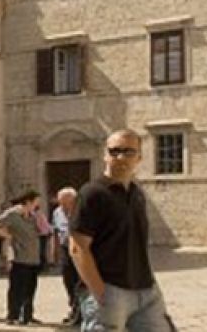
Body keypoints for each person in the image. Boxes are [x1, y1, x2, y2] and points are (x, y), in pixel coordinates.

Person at [70, 129, 174, 332]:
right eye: (114, 151)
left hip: (145, 291)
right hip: (110, 290)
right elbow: (78, 247)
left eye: (128, 152)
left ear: (139, 157)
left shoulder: (136, 194)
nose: (120, 157)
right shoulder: (92, 193)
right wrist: (99, 292)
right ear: (105, 155)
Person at [0, 190, 42, 325]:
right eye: (36, 202)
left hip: (33, 258)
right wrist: (6, 236)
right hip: (20, 258)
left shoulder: (33, 216)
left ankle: (27, 316)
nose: (37, 205)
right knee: (17, 288)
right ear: (28, 202)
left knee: (31, 288)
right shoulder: (13, 214)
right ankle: (13, 315)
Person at [51, 187, 81, 326]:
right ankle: (74, 310)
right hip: (65, 249)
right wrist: (54, 251)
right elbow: (56, 233)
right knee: (68, 280)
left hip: (81, 249)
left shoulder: (82, 211)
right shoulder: (57, 212)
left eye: (66, 203)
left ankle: (79, 313)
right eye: (61, 203)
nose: (63, 206)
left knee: (80, 282)